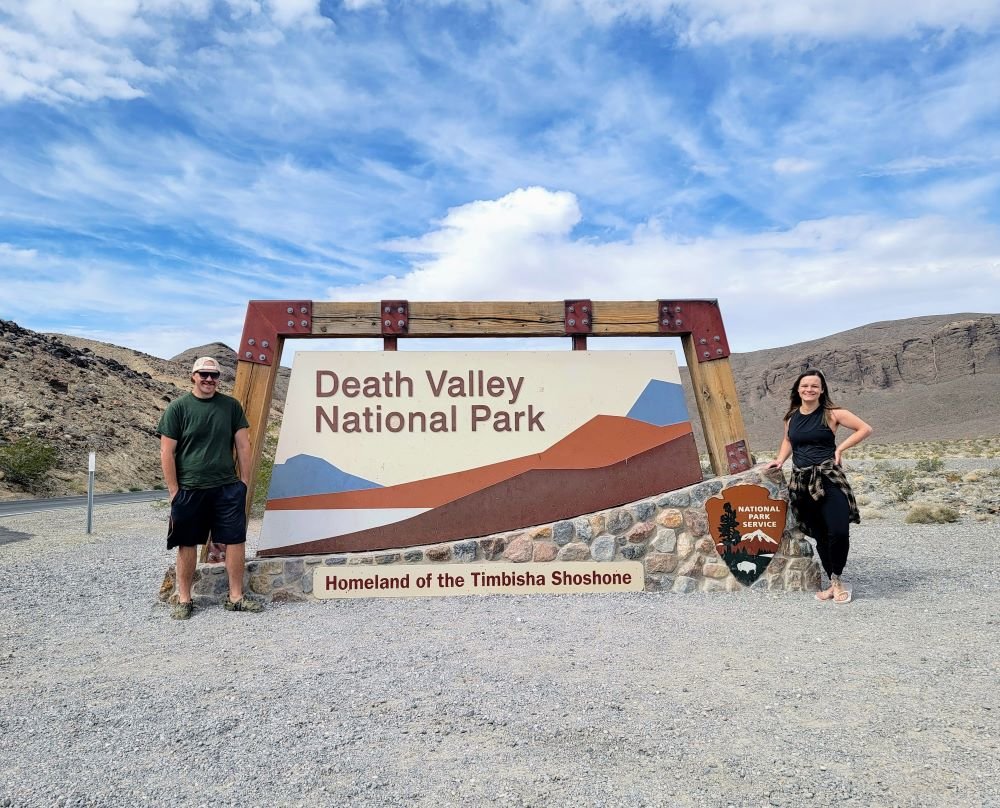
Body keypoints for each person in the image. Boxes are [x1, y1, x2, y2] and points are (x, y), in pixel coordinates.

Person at [158, 356, 262, 619]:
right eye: (203, 374)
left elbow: (243, 445)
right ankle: (184, 599)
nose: (208, 379)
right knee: (187, 543)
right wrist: (173, 491)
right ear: (193, 376)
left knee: (236, 540)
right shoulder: (178, 408)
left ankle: (236, 597)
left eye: (214, 375)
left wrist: (245, 482)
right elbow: (167, 452)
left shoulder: (230, 407)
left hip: (226, 487)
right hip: (190, 489)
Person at [766, 368, 872, 604]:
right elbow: (787, 440)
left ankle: (838, 576)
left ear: (822, 390)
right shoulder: (791, 417)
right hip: (801, 482)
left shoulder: (832, 413)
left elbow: (865, 428)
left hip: (828, 478)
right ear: (798, 389)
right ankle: (834, 582)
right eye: (805, 386)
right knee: (819, 534)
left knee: (839, 531)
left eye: (814, 386)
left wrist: (840, 448)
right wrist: (780, 459)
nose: (809, 389)